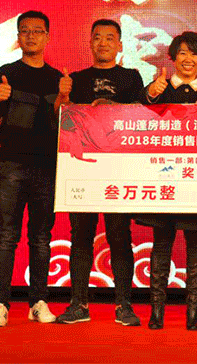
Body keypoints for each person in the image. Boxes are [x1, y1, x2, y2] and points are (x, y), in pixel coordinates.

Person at [53, 19, 144, 326]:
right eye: (97, 37)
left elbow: (143, 117)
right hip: (82, 168)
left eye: (109, 38)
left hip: (118, 168)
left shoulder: (131, 77)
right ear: (90, 43)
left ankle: (124, 306)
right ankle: (78, 304)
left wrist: (111, 107)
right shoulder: (76, 79)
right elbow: (61, 121)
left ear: (119, 45)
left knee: (120, 236)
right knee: (81, 236)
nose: (103, 43)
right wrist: (62, 99)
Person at [138, 31, 197, 331]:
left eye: (195, 53)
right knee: (161, 244)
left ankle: (193, 312)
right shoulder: (159, 88)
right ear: (173, 57)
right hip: (163, 178)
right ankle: (156, 311)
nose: (189, 59)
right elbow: (139, 118)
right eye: (183, 53)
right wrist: (152, 93)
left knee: (196, 244)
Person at [0, 10, 62, 327]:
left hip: (47, 166)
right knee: (7, 235)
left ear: (47, 37)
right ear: (18, 37)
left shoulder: (58, 78)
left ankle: (39, 302)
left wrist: (64, 98)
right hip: (12, 164)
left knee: (41, 238)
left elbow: (64, 124)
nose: (31, 36)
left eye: (37, 31)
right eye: (25, 31)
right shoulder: (6, 73)